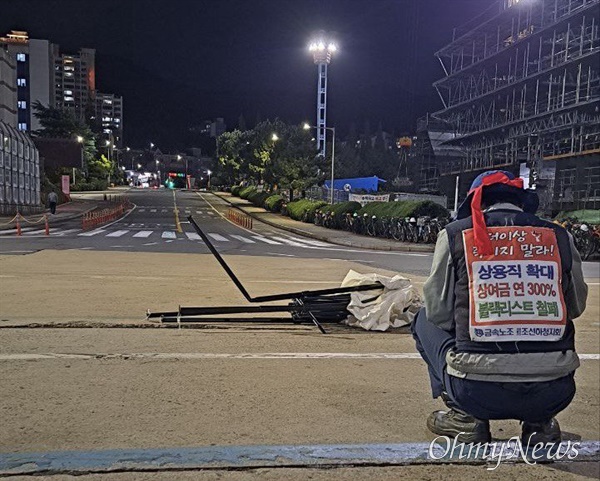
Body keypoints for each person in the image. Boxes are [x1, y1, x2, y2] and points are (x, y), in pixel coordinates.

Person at [412, 170, 588, 445]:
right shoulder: (559, 236)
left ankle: (464, 417)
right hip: (555, 391)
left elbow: (439, 313)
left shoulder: (456, 234)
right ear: (521, 201)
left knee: (423, 318)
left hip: (474, 391)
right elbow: (575, 306)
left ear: (476, 204)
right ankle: (539, 424)